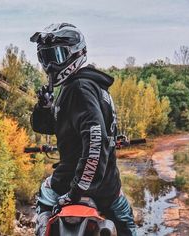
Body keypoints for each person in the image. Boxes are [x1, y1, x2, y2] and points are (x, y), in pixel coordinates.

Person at [30, 23, 137, 236]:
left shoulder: (78, 88)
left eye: (57, 55)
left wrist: (77, 191)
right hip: (107, 185)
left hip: (71, 182)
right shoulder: (93, 88)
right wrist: (44, 107)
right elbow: (49, 126)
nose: (50, 65)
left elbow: (95, 141)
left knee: (44, 195)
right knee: (127, 224)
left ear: (76, 53)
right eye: (45, 57)